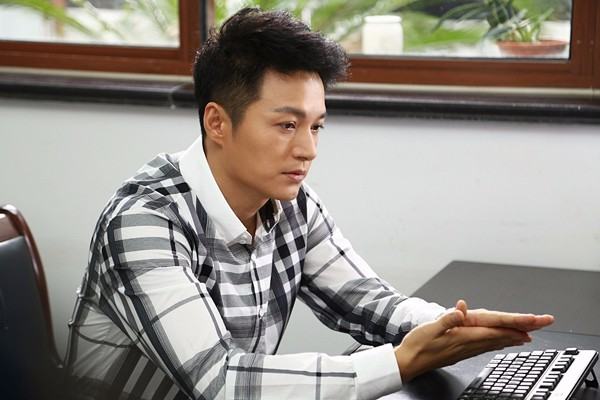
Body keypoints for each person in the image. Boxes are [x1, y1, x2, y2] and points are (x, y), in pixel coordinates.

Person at [65, 7, 554, 400]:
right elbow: (221, 382)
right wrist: (401, 362)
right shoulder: (144, 222)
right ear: (217, 123)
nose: (308, 149)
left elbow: (367, 302)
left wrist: (453, 326)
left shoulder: (291, 204)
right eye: (286, 125)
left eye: (316, 126)